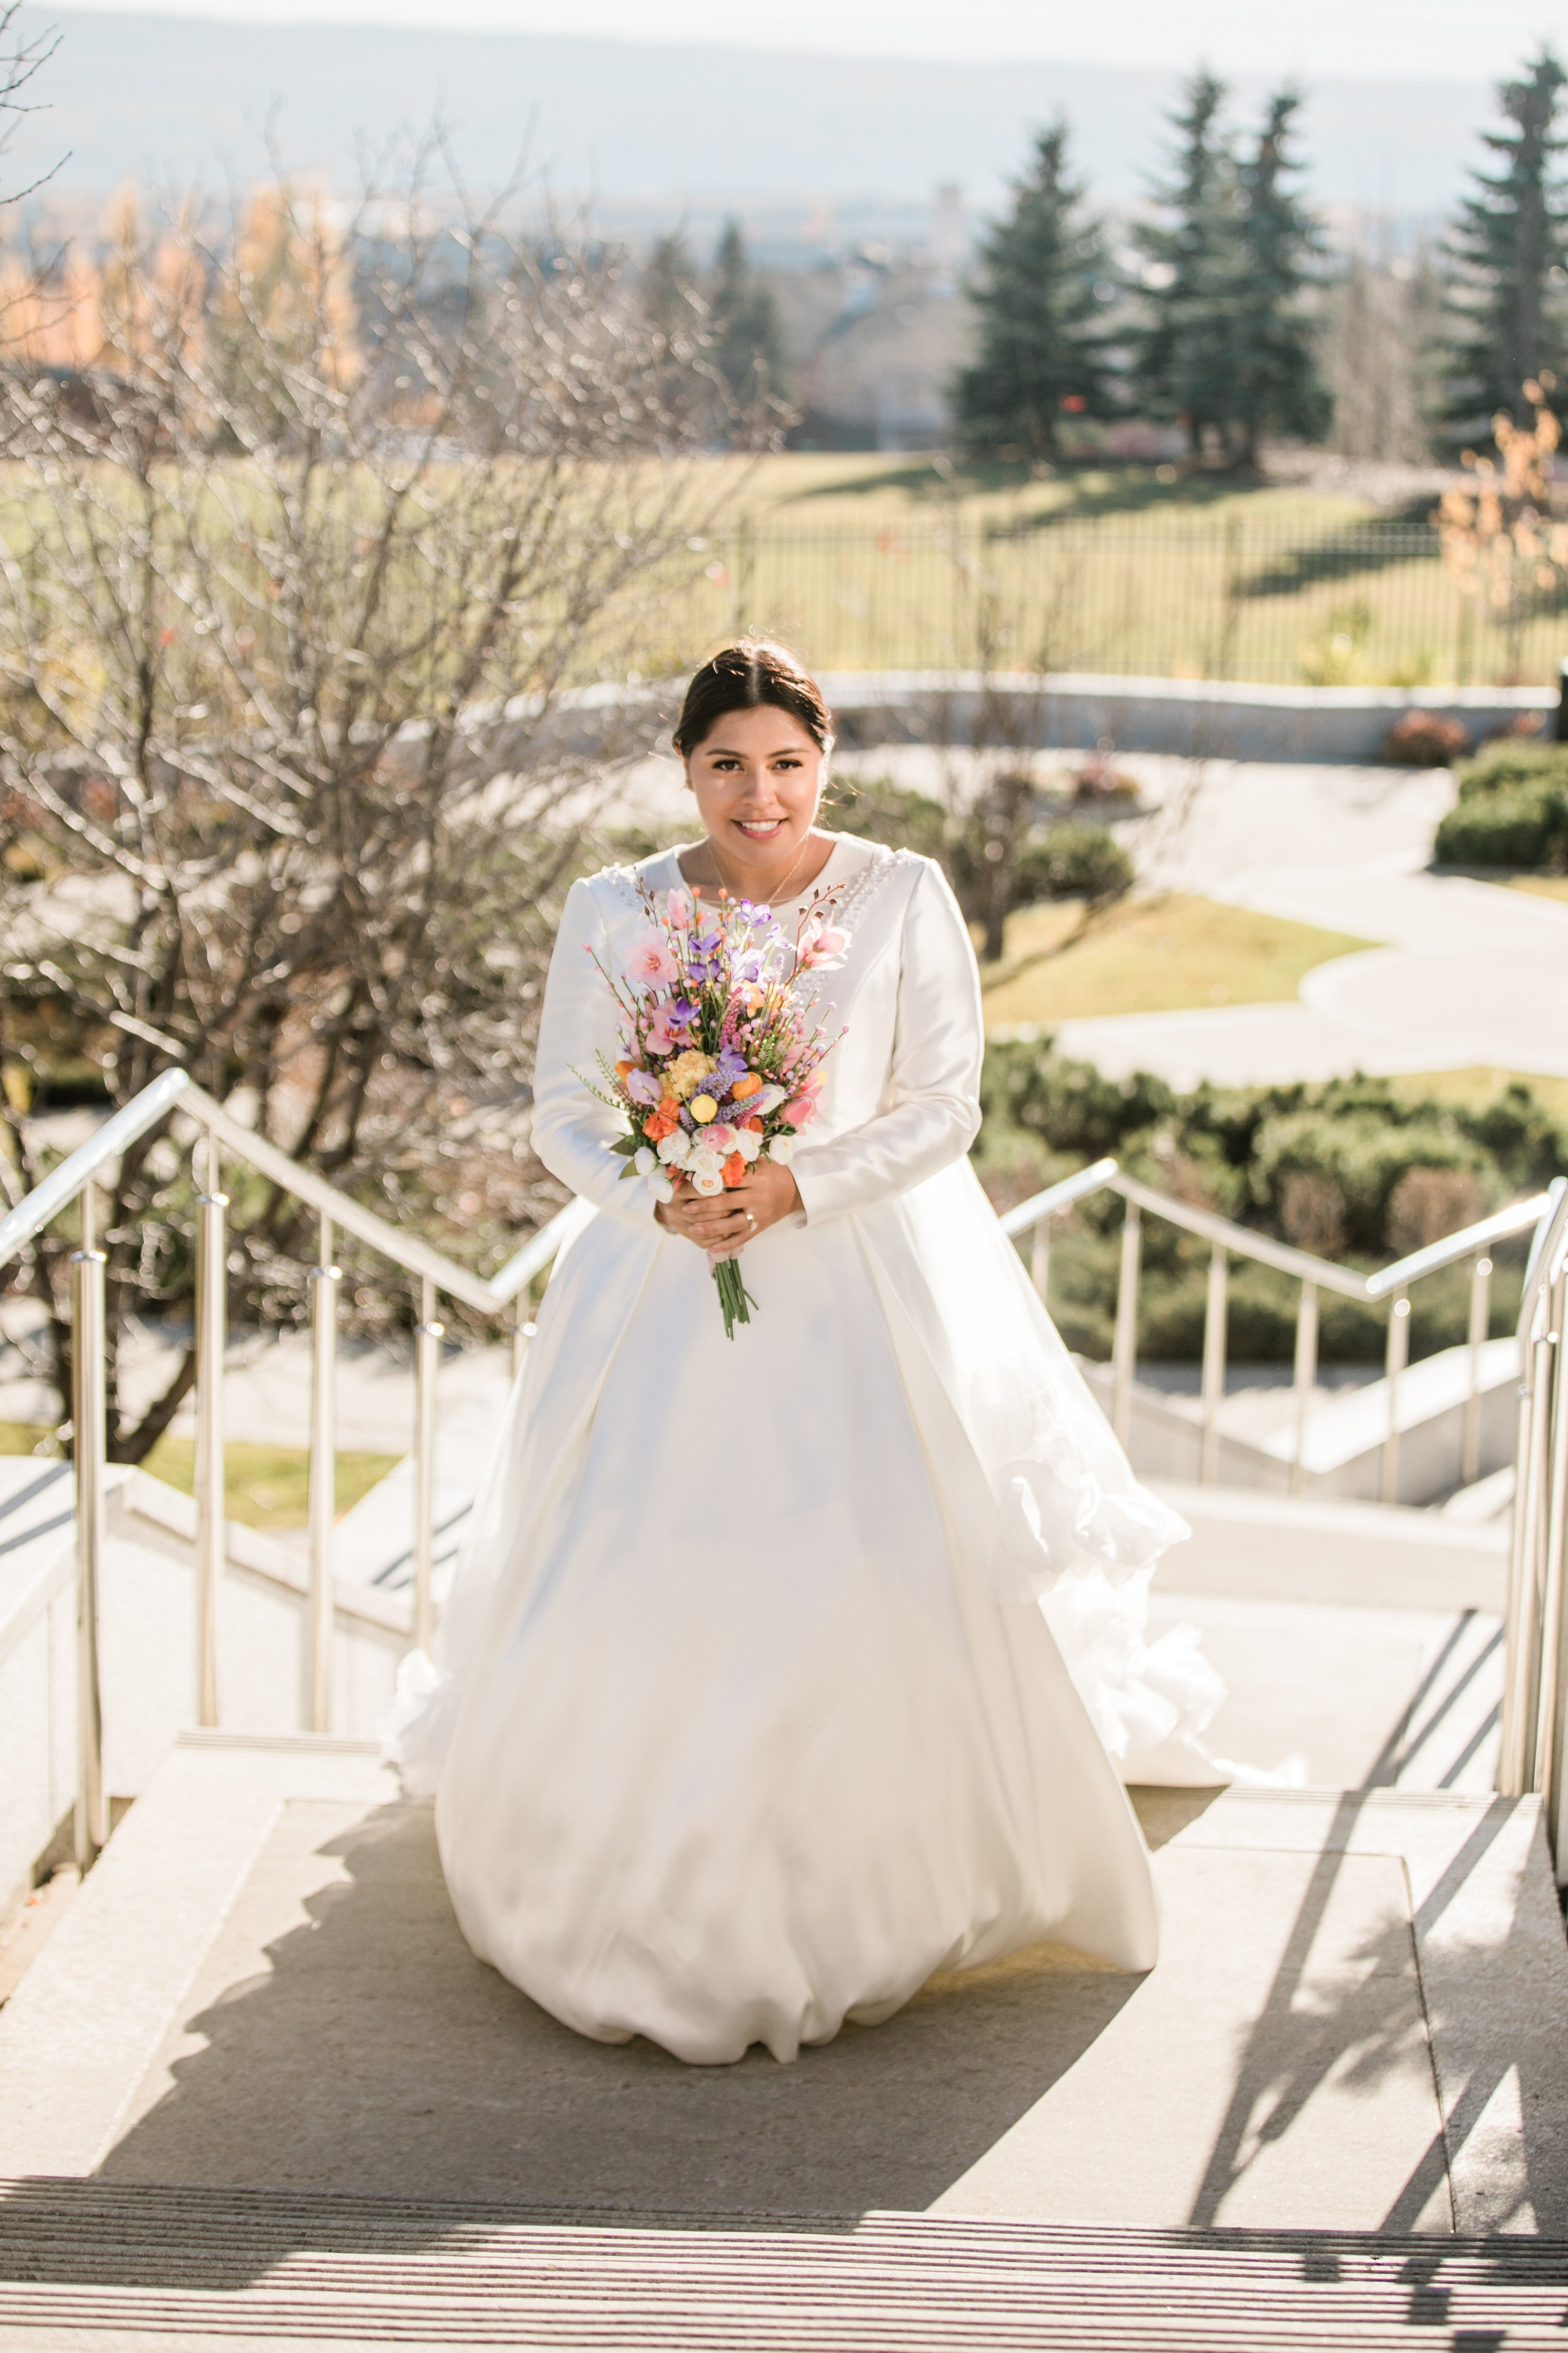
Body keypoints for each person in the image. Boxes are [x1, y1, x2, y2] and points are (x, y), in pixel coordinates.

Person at [390, 639, 1224, 2068]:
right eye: (727, 763)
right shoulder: (616, 905)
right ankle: (614, 1875)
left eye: (785, 762)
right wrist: (656, 1189)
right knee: (636, 1556)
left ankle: (862, 1889)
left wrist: (792, 1186)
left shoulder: (901, 894)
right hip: (662, 1277)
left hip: (851, 1274)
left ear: (821, 761)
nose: (757, 793)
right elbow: (558, 1110)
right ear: (687, 768)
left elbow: (942, 1105)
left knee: (860, 1558)